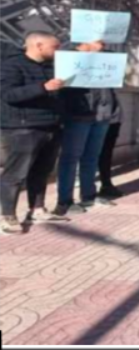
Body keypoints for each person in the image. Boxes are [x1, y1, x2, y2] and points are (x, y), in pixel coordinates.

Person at [0, 32, 66, 233]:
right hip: (23, 127)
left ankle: (36, 209)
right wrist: (43, 87)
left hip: (51, 125)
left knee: (41, 171)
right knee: (15, 174)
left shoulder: (50, 67)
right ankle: (7, 216)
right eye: (54, 47)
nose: (57, 51)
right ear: (38, 45)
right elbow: (8, 94)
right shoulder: (12, 65)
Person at [54, 41, 118, 216]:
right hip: (78, 115)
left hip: (102, 114)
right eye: (98, 40)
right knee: (70, 158)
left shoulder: (106, 58)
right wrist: (87, 54)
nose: (102, 44)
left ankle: (89, 195)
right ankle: (64, 201)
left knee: (91, 157)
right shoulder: (68, 57)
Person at [97, 94, 124, 199]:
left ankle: (106, 184)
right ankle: (86, 190)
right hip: (96, 118)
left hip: (113, 118)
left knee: (106, 154)